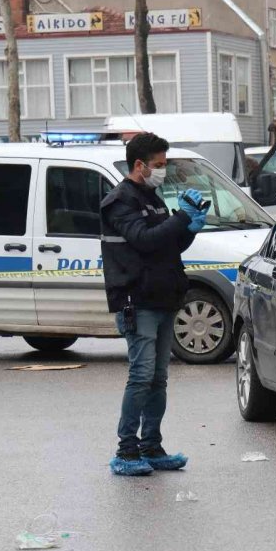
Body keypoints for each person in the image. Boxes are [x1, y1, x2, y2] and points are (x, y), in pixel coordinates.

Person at [100, 132, 208, 476]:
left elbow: (167, 245)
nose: (163, 170)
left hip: (163, 296)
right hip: (138, 299)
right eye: (158, 165)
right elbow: (144, 240)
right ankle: (126, 450)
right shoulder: (119, 201)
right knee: (141, 375)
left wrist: (189, 228)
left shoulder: (152, 197)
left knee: (158, 378)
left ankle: (151, 446)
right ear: (139, 165)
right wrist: (180, 219)